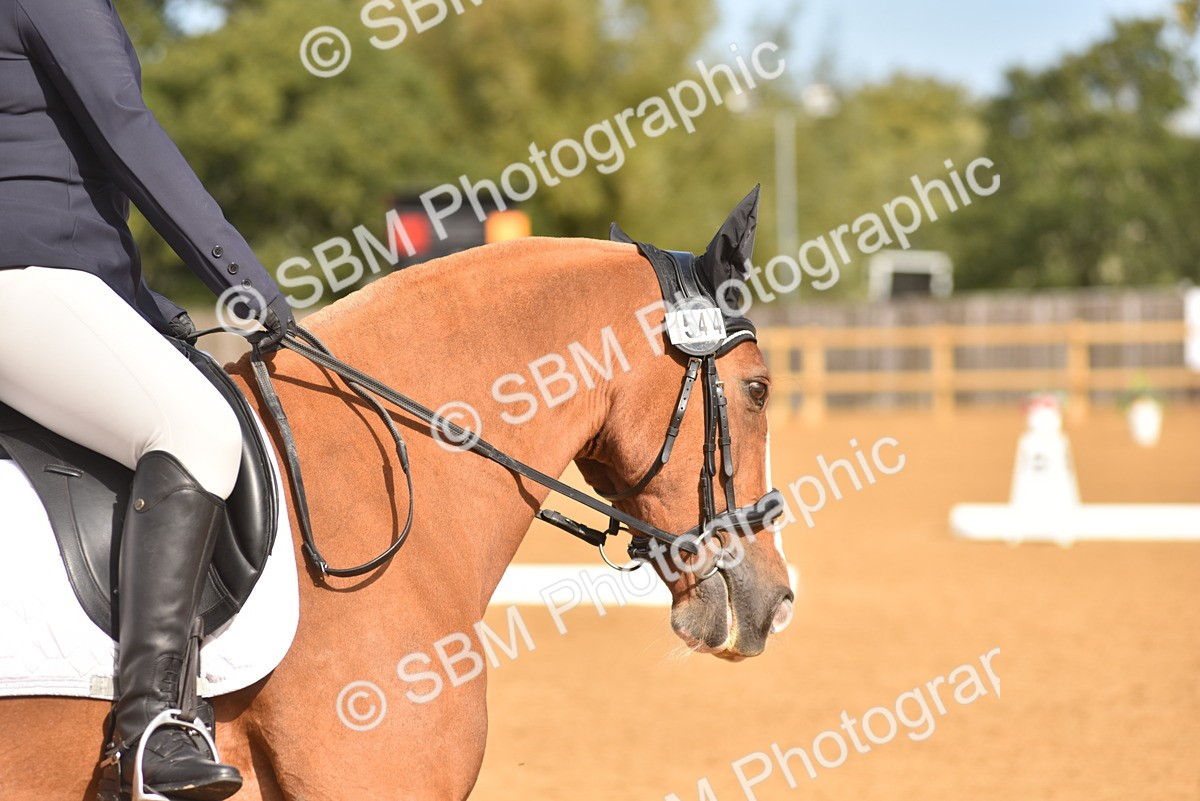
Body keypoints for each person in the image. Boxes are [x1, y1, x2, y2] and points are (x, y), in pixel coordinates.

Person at [0, 0, 294, 798]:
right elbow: (127, 133)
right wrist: (248, 286)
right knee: (194, 428)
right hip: (21, 280)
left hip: (50, 278)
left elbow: (68, 190)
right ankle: (151, 731)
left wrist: (151, 308)